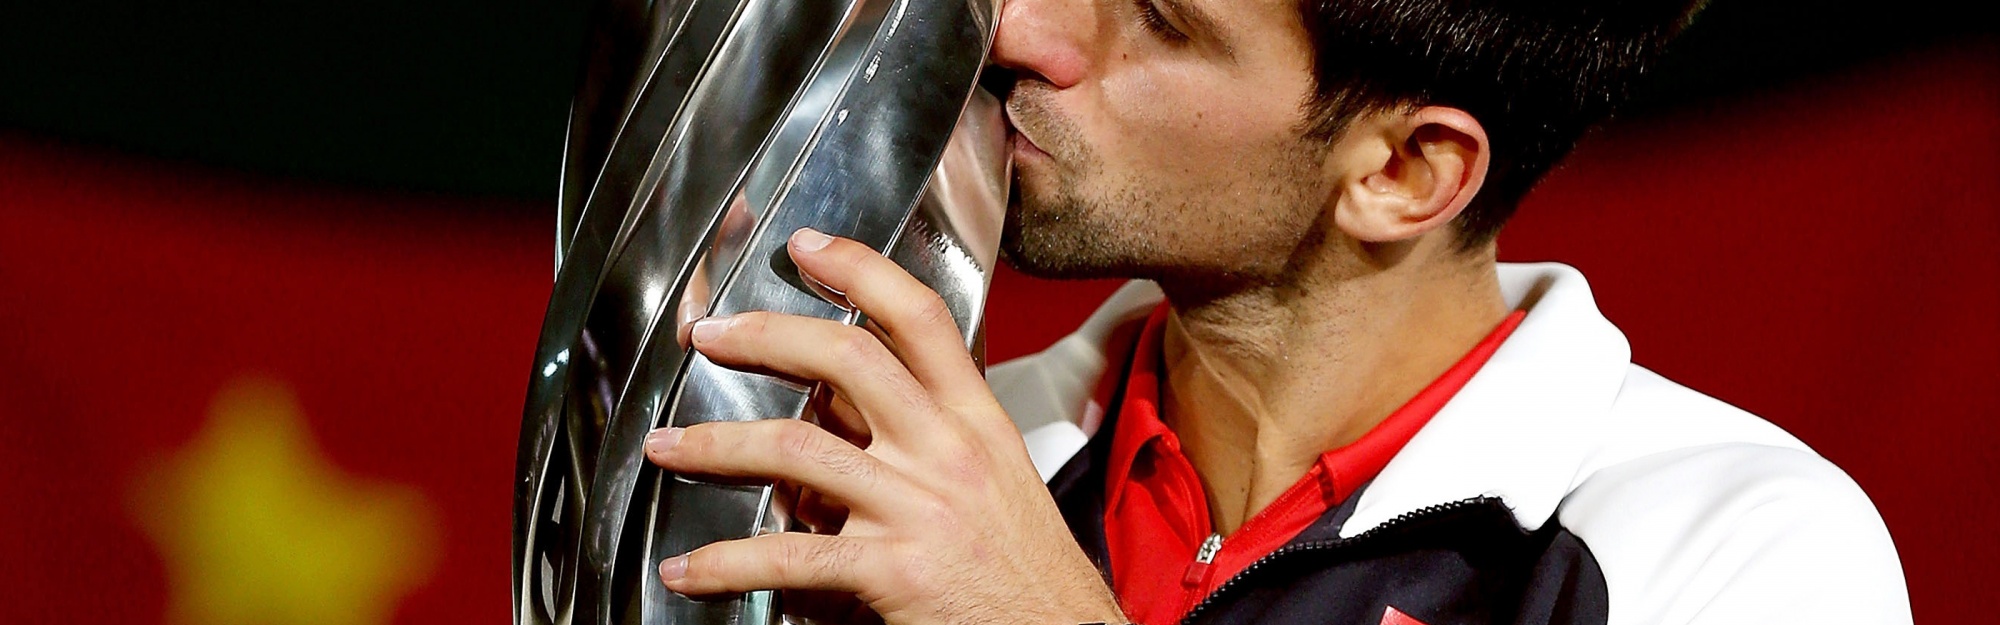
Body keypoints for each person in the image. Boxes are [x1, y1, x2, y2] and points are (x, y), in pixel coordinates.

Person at [636, 0, 1913, 623]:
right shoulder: (935, 459)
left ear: (1402, 174)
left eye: (1158, 21)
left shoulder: (1735, 549)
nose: (1021, 29)